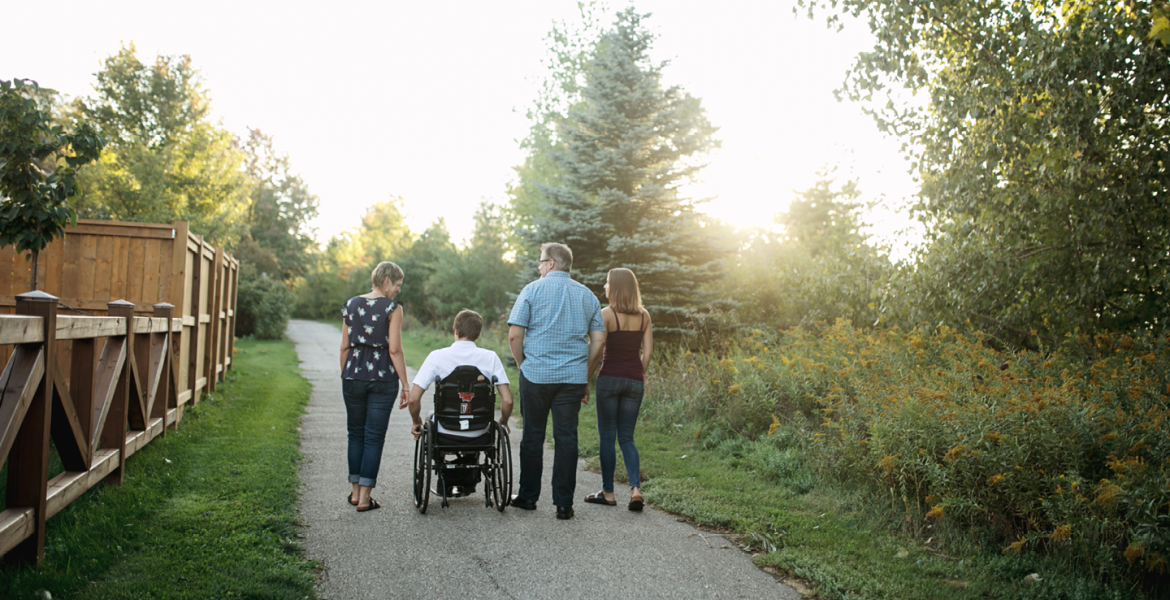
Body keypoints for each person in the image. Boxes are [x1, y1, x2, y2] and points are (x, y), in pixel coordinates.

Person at [507, 242, 605, 520]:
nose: (538, 266)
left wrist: (522, 364)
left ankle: (527, 496)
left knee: (533, 436)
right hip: (571, 379)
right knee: (566, 438)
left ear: (551, 263)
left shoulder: (532, 290)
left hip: (535, 376)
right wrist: (585, 373)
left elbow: (515, 335)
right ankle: (564, 504)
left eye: (540, 261)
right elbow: (599, 340)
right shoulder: (587, 296)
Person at [407, 309, 514, 497]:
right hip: (480, 432)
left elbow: (413, 398)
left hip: (445, 432)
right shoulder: (490, 358)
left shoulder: (437, 357)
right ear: (478, 334)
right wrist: (504, 421)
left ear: (455, 330)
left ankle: (444, 472)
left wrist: (416, 421)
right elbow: (508, 400)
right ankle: (470, 466)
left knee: (431, 418)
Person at [340, 261, 409, 512]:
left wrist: (346, 375)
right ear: (387, 281)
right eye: (398, 285)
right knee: (374, 437)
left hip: (353, 376)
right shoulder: (393, 308)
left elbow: (344, 346)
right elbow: (394, 349)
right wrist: (405, 384)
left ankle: (355, 493)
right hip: (382, 379)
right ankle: (366, 499)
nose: (398, 291)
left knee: (355, 434)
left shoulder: (351, 304)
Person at [583, 268, 653, 511]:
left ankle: (609, 493)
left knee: (606, 436)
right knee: (626, 437)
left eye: (608, 283)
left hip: (609, 379)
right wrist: (636, 373)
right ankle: (635, 490)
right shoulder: (644, 316)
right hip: (634, 381)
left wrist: (585, 380)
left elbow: (596, 350)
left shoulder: (607, 314)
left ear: (617, 287)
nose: (604, 286)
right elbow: (648, 353)